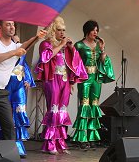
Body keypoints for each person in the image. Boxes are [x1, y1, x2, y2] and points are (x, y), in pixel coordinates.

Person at [0, 20, 46, 142]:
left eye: (13, 25)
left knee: (9, 125)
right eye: (8, 24)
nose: (12, 27)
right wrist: (13, 53)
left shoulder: (16, 47)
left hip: (0, 91)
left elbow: (27, 44)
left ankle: (8, 155)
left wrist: (37, 37)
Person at [34, 17, 88, 155]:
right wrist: (61, 44)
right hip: (52, 79)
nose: (62, 33)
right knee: (54, 110)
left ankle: (60, 142)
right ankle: (49, 144)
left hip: (64, 80)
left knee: (62, 111)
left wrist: (70, 48)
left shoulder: (65, 46)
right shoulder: (46, 44)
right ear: (53, 31)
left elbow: (76, 63)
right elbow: (46, 57)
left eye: (64, 30)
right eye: (59, 30)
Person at [72, 20, 115, 150]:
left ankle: (92, 138)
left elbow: (102, 61)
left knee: (94, 106)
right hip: (84, 78)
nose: (95, 32)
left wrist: (102, 50)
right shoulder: (79, 45)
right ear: (87, 31)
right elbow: (74, 63)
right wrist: (73, 80)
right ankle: (81, 138)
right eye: (93, 30)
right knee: (84, 105)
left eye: (97, 30)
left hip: (95, 78)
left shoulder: (98, 45)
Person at [0, 36, 35, 157]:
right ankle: (5, 144)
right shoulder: (4, 50)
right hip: (5, 84)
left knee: (19, 112)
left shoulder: (21, 50)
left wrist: (27, 79)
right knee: (5, 113)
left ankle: (18, 145)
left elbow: (24, 65)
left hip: (19, 85)